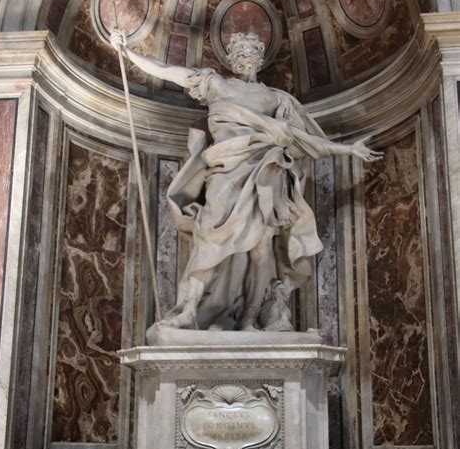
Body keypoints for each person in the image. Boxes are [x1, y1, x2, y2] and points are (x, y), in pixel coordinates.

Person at [110, 30, 382, 331]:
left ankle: (251, 317)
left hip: (265, 173)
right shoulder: (215, 84)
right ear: (229, 59)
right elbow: (168, 72)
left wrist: (347, 148)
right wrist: (127, 53)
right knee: (208, 234)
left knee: (262, 247)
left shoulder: (276, 99)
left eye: (251, 52)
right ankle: (188, 308)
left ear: (261, 59)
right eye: (239, 53)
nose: (245, 58)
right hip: (226, 172)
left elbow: (300, 137)